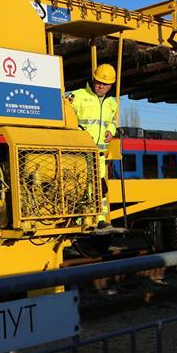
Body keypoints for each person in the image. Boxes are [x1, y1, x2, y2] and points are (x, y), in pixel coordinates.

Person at [65, 63, 121, 233]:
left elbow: (111, 122)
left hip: (100, 155)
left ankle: (100, 220)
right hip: (81, 153)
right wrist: (79, 133)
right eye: (98, 82)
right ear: (93, 79)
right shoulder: (78, 96)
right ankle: (81, 219)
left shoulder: (112, 103)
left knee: (99, 188)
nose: (101, 86)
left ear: (111, 85)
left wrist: (111, 131)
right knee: (82, 186)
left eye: (105, 84)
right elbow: (66, 117)